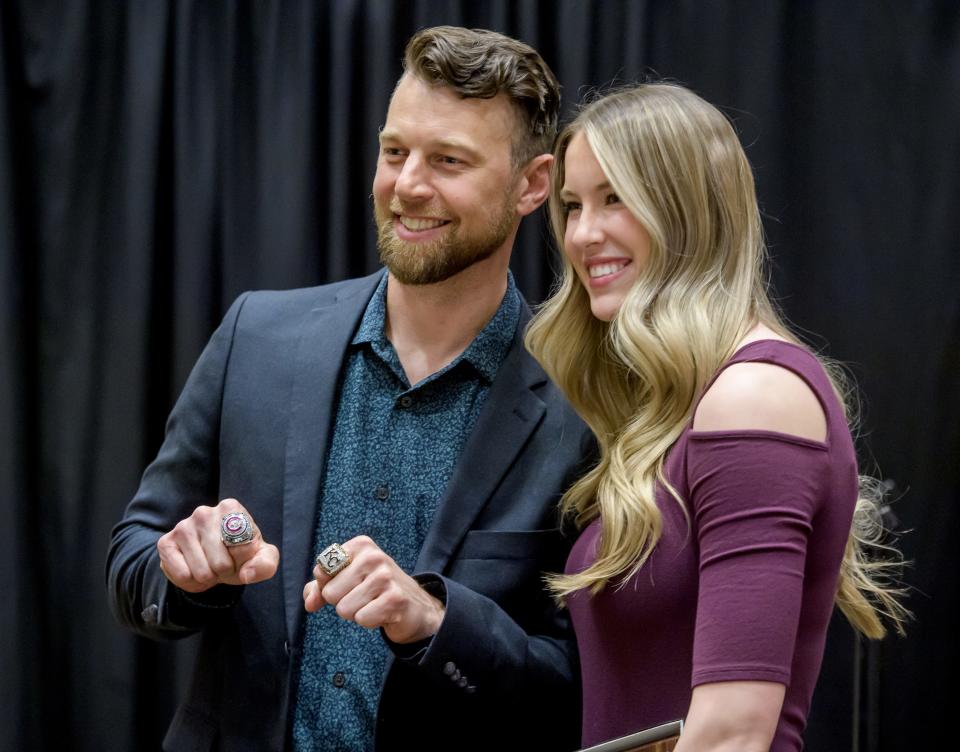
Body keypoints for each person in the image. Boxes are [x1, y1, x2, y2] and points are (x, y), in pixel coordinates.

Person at [107, 26, 593, 752]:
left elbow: (580, 686)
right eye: (395, 152)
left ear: (532, 185)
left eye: (449, 161)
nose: (408, 185)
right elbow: (133, 566)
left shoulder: (584, 406)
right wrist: (189, 571)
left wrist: (437, 623)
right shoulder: (256, 336)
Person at [525, 83, 908, 752]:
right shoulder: (682, 407)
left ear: (687, 210)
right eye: (572, 206)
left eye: (615, 197)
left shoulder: (754, 396)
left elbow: (734, 733)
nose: (583, 233)